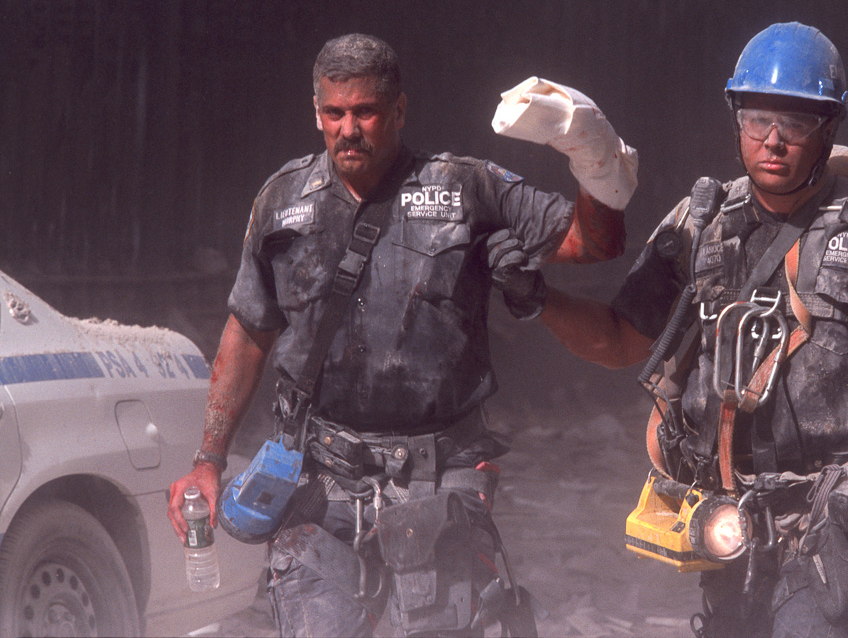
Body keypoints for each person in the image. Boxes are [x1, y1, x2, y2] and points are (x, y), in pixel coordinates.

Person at [490, 22, 848, 637]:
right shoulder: (699, 225)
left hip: (837, 515)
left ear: (829, 128)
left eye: (796, 123)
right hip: (727, 518)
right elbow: (623, 340)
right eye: (757, 120)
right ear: (737, 121)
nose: (773, 140)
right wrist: (539, 299)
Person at [167, 33, 639, 637]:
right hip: (319, 479)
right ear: (316, 113)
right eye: (334, 113)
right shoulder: (282, 201)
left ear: (399, 111)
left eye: (365, 112)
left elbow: (595, 242)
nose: (348, 129)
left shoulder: (466, 188)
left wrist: (588, 144)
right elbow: (248, 331)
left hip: (438, 479)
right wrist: (208, 459)